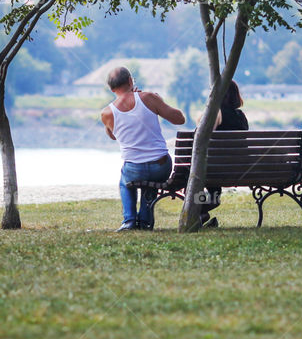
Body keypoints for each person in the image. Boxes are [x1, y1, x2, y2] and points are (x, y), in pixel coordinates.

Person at [100, 66, 186, 231]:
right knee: (151, 183)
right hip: (160, 166)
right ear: (131, 81)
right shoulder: (148, 98)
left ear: (111, 89)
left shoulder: (107, 113)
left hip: (134, 169)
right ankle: (145, 221)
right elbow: (180, 119)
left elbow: (113, 136)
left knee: (125, 181)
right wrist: (157, 101)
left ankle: (129, 221)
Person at [200, 79, 249, 228]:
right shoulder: (241, 117)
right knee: (214, 197)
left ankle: (199, 214)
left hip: (213, 170)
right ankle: (201, 215)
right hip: (237, 170)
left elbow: (199, 139)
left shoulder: (214, 115)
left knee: (189, 178)